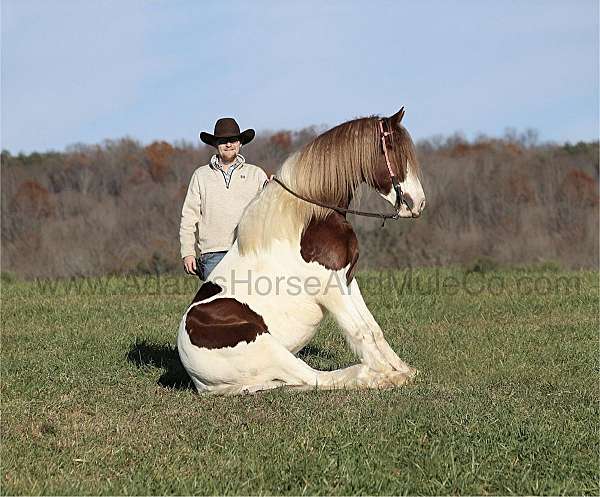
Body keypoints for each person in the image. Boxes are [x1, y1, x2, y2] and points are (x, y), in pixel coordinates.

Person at [180, 117, 267, 280]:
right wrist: (188, 253)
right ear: (215, 144)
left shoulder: (256, 174)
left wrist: (274, 188)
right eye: (223, 141)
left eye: (233, 140)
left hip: (248, 251)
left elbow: (270, 209)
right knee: (218, 304)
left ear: (240, 143)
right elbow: (188, 217)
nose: (228, 144)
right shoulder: (201, 175)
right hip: (213, 255)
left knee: (249, 302)